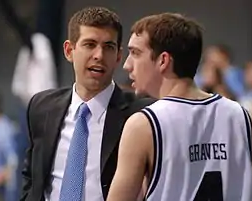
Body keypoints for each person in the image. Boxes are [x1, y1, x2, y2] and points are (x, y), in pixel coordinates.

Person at [107, 13, 252, 201]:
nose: (127, 65)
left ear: (163, 61)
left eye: (135, 53)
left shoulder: (143, 125)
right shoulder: (241, 117)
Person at [20, 7, 154, 201]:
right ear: (69, 50)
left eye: (108, 47)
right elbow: (31, 177)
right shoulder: (42, 106)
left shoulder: (141, 113)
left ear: (118, 56)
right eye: (90, 44)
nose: (99, 55)